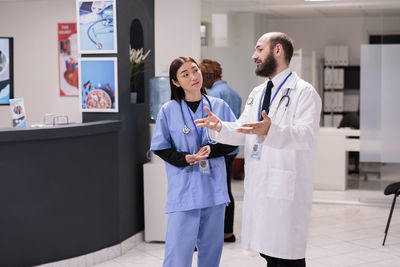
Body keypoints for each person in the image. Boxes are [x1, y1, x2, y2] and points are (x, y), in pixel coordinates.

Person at [195, 32, 322, 266]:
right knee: (269, 254)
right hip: (261, 184)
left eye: (259, 49)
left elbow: (306, 136)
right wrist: (220, 127)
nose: (254, 55)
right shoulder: (258, 92)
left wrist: (271, 131)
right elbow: (245, 129)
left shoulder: (304, 92)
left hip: (286, 187)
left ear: (278, 51)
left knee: (286, 257)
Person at [150, 56, 238, 267]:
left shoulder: (219, 106)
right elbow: (161, 147)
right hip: (184, 190)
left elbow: (234, 139)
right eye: (185, 74)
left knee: (211, 250)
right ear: (175, 82)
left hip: (213, 190)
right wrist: (184, 158)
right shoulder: (168, 111)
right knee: (177, 251)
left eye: (195, 70)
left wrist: (213, 149)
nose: (193, 77)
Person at [199, 59, 242, 243]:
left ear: (207, 77)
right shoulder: (234, 93)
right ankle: (227, 232)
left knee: (216, 190)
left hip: (218, 149)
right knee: (226, 188)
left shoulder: (213, 97)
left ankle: (217, 232)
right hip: (232, 149)